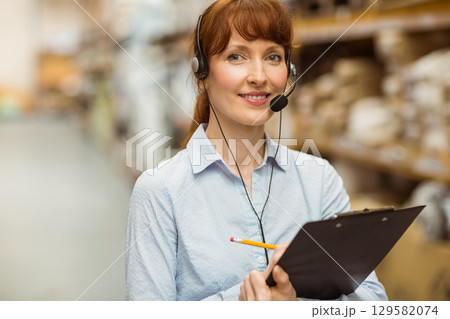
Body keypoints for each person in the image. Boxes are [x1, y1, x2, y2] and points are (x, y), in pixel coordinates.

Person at [126, 0, 388, 301]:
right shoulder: (161, 191)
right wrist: (237, 302)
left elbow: (373, 302)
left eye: (273, 57)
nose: (259, 76)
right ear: (202, 72)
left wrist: (295, 304)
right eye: (236, 56)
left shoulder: (319, 180)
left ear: (287, 72)